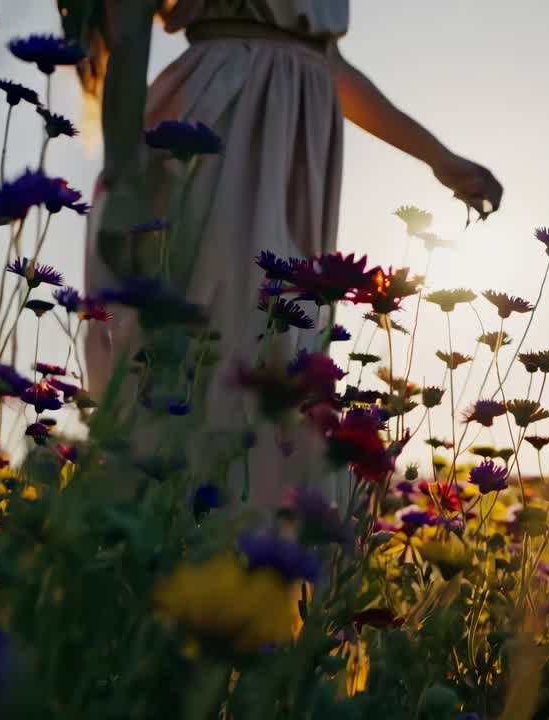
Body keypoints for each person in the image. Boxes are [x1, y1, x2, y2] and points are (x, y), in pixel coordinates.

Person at [63, 0, 503, 508]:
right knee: (216, 333)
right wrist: (125, 179)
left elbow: (325, 60)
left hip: (300, 136)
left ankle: (255, 545)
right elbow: (130, 29)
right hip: (223, 117)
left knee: (285, 348)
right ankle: (174, 539)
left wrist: (438, 158)